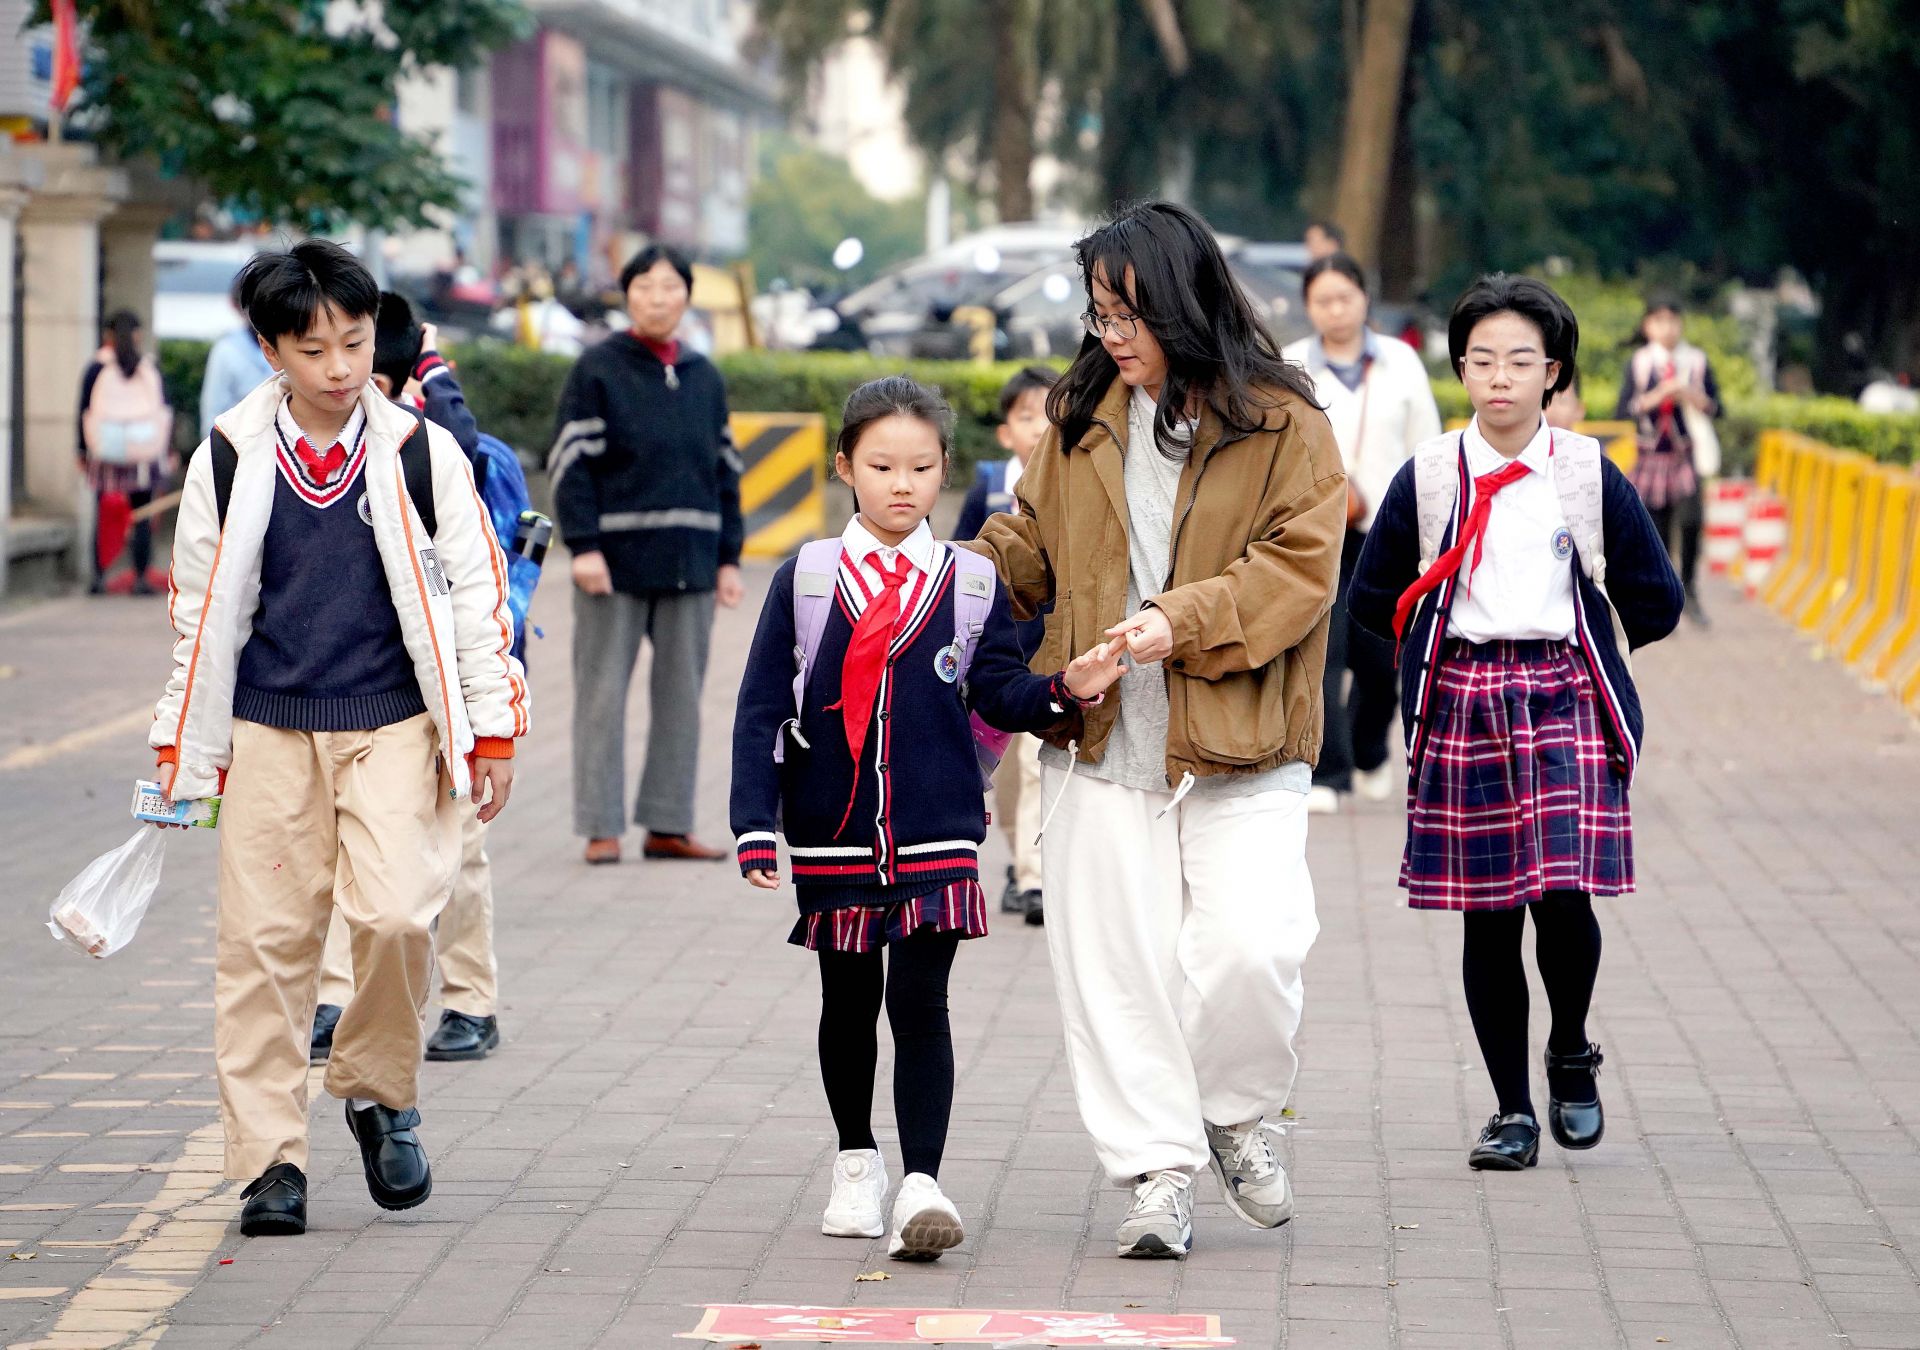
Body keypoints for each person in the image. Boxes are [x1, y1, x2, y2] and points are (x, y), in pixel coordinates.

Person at [966, 201, 1345, 1258]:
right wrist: (951, 574)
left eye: (1127, 314)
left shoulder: (1285, 423)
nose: (1112, 336)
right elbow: (1032, 542)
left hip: (1244, 736)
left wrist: (1174, 621)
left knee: (1253, 950)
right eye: (1097, 315)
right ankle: (1155, 1173)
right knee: (1114, 973)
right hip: (1102, 738)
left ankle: (1233, 1111)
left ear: (1183, 302)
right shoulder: (1082, 414)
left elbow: (1298, 573)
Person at [145, 240, 529, 1238]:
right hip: (268, 729)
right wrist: (182, 748)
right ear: (273, 349)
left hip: (398, 725)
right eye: (313, 349)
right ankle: (272, 1163)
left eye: (354, 343)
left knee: (400, 916)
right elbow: (198, 610)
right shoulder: (229, 453)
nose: (340, 367)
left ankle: (375, 1089)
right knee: (265, 950)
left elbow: (476, 597)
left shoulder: (418, 450)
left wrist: (490, 730)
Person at [730, 376, 1127, 1261]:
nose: (902, 484)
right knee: (847, 997)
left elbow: (997, 690)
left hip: (939, 823)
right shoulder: (808, 578)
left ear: (947, 471)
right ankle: (856, 1162)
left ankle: (922, 1182)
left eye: (921, 466)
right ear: (845, 468)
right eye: (881, 465)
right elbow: (761, 706)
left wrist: (1066, 687)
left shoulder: (969, 581)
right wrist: (755, 821)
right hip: (831, 827)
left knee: (922, 1001)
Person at [1349, 274, 1683, 1172]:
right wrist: (1424, 660)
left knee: (1565, 896)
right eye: (1483, 360)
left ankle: (1570, 1050)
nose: (1499, 378)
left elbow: (1657, 598)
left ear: (1554, 373)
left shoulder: (1582, 469)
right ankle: (1510, 1111)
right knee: (1488, 915)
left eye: (1520, 362)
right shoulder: (1427, 476)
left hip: (1564, 692)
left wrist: (1599, 645)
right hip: (1464, 698)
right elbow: (1368, 599)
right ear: (1461, 368)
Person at [312, 292, 508, 1066]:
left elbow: (470, 452)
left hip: (448, 683)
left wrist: (431, 367)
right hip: (349, 683)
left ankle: (469, 1000)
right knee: (340, 849)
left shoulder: (428, 445)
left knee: (457, 849)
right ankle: (336, 998)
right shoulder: (312, 439)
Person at [550, 244, 745, 865]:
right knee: (601, 692)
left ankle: (668, 825)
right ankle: (600, 826)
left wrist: (729, 558)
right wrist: (582, 546)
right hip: (612, 562)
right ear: (627, 295)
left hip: (692, 558)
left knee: (682, 697)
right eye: (645, 287)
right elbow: (570, 464)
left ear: (687, 296)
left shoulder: (704, 375)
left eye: (670, 287)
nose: (658, 298)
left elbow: (725, 472)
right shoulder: (597, 369)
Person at [1283, 254, 1441, 815]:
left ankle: (1371, 749)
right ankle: (1327, 771)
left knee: (1382, 660)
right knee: (1321, 653)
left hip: (1387, 532)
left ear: (1364, 299)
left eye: (1344, 297)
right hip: (1313, 533)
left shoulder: (1400, 361)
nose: (1335, 309)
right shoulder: (1292, 364)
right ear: (1308, 306)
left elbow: (1427, 444)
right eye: (1322, 300)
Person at [956, 365, 1057, 925]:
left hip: (1051, 652)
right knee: (1010, 774)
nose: (1039, 428)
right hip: (999, 654)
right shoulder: (991, 485)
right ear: (1005, 431)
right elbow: (969, 558)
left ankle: (1038, 875)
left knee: (1037, 764)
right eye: (1025, 416)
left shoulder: (1077, 482)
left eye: (1049, 415)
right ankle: (1020, 867)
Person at [1617, 296, 1720, 627]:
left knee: (1691, 521)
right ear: (1647, 326)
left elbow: (1718, 407)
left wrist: (1689, 394)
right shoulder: (1639, 363)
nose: (1667, 328)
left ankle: (1690, 587)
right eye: (1659, 321)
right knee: (1656, 529)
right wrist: (1658, 396)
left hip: (1685, 455)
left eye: (1673, 320)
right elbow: (1623, 411)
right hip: (1650, 456)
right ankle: (1664, 598)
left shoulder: (1696, 361)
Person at [78, 312, 174, 595]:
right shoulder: (148, 367)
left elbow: (83, 411)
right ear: (137, 335)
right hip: (143, 451)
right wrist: (166, 450)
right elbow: (164, 410)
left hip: (106, 450)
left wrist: (81, 449)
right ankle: (141, 576)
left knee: (104, 512)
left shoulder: (96, 368)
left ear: (108, 335)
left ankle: (99, 576)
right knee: (141, 514)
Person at [200, 284, 275, 436]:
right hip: (240, 442)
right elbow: (214, 407)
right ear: (238, 307)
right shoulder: (227, 349)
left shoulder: (290, 343)